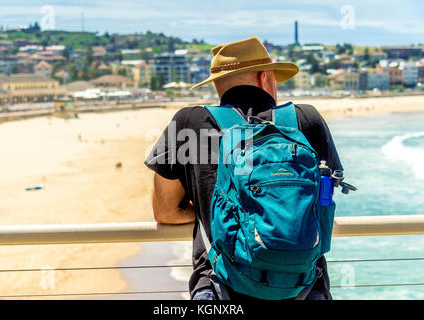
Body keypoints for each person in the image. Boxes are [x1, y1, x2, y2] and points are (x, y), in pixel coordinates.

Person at [144, 36, 342, 300]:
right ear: (266, 78)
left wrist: (214, 214)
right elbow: (320, 202)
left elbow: (165, 212)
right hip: (304, 287)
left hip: (220, 285)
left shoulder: (189, 122)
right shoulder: (306, 120)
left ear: (217, 86)